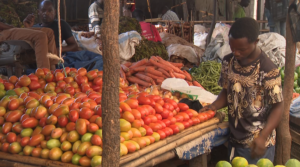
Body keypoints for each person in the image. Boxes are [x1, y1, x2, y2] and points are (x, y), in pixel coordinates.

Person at [199, 17, 283, 164]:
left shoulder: (268, 70)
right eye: (232, 47)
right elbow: (227, 92)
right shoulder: (228, 61)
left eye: (241, 49)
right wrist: (214, 106)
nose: (236, 53)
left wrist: (263, 136)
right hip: (234, 139)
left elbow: (278, 107)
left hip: (258, 144)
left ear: (255, 42)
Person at [23, 0, 104, 71]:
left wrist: (57, 50)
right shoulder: (34, 28)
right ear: (38, 12)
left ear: (55, 12)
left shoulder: (60, 24)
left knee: (98, 59)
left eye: (49, 10)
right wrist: (27, 28)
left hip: (61, 56)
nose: (46, 13)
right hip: (43, 60)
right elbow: (28, 48)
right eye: (43, 10)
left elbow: (74, 46)